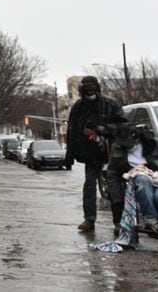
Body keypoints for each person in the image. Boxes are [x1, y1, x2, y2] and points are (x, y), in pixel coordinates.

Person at [106, 123, 158, 253]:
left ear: (136, 138)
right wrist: (117, 199)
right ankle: (152, 219)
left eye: (127, 142)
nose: (124, 145)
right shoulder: (117, 149)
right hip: (139, 184)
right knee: (140, 178)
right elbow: (112, 174)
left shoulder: (157, 146)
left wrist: (153, 165)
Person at [65, 76, 126, 232]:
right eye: (87, 91)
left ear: (97, 89)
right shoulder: (79, 107)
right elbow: (72, 131)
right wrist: (70, 156)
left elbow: (123, 126)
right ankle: (89, 220)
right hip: (90, 153)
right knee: (90, 186)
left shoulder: (110, 104)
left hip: (110, 153)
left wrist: (105, 130)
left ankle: (119, 222)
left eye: (92, 90)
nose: (90, 93)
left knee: (114, 188)